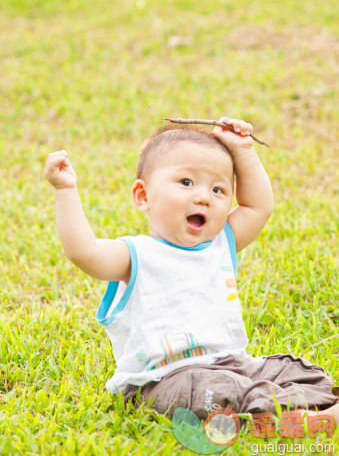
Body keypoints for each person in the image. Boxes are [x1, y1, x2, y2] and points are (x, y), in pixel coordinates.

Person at [45, 117, 339, 425]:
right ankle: (291, 420)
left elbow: (258, 207)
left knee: (292, 370)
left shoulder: (221, 243)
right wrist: (65, 190)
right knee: (223, 391)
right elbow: (84, 251)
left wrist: (244, 151)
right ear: (143, 196)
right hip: (163, 381)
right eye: (186, 183)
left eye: (218, 189)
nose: (203, 197)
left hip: (231, 364)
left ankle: (311, 404)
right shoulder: (136, 255)